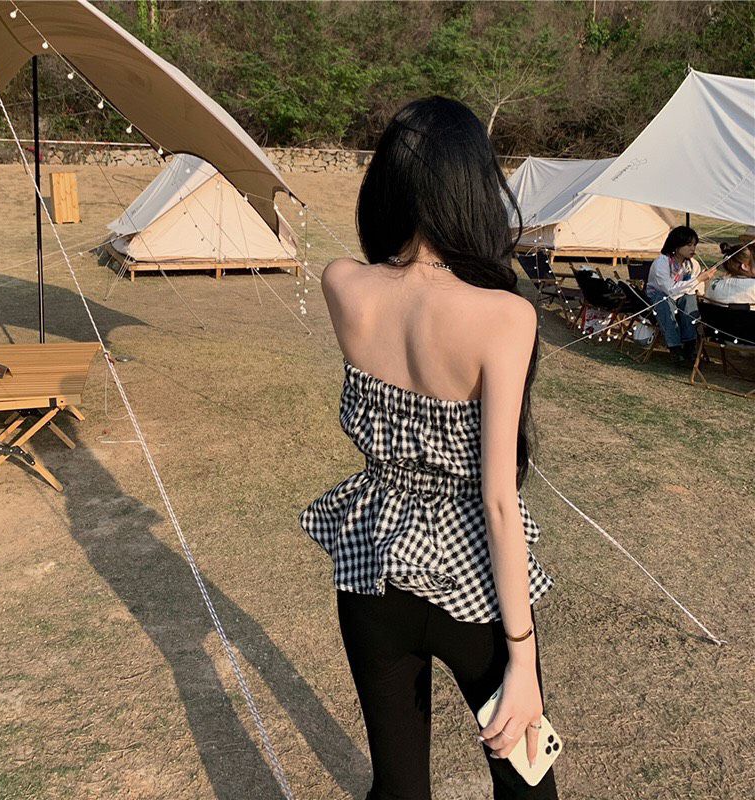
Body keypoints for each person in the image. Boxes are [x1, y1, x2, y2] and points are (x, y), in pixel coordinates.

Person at [299, 96, 559, 799]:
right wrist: (523, 661)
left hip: (371, 564)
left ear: (386, 179)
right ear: (476, 188)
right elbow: (498, 502)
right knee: (527, 782)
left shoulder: (342, 283)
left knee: (399, 787)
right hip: (470, 577)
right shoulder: (505, 316)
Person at [645, 227, 717, 367]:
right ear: (677, 245)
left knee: (689, 299)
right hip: (659, 296)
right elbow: (669, 290)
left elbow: (694, 289)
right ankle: (675, 348)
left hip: (681, 297)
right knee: (664, 301)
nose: (693, 249)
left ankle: (690, 346)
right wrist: (698, 279)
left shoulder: (693, 264)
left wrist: (699, 283)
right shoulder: (662, 263)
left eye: (694, 245)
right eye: (689, 245)